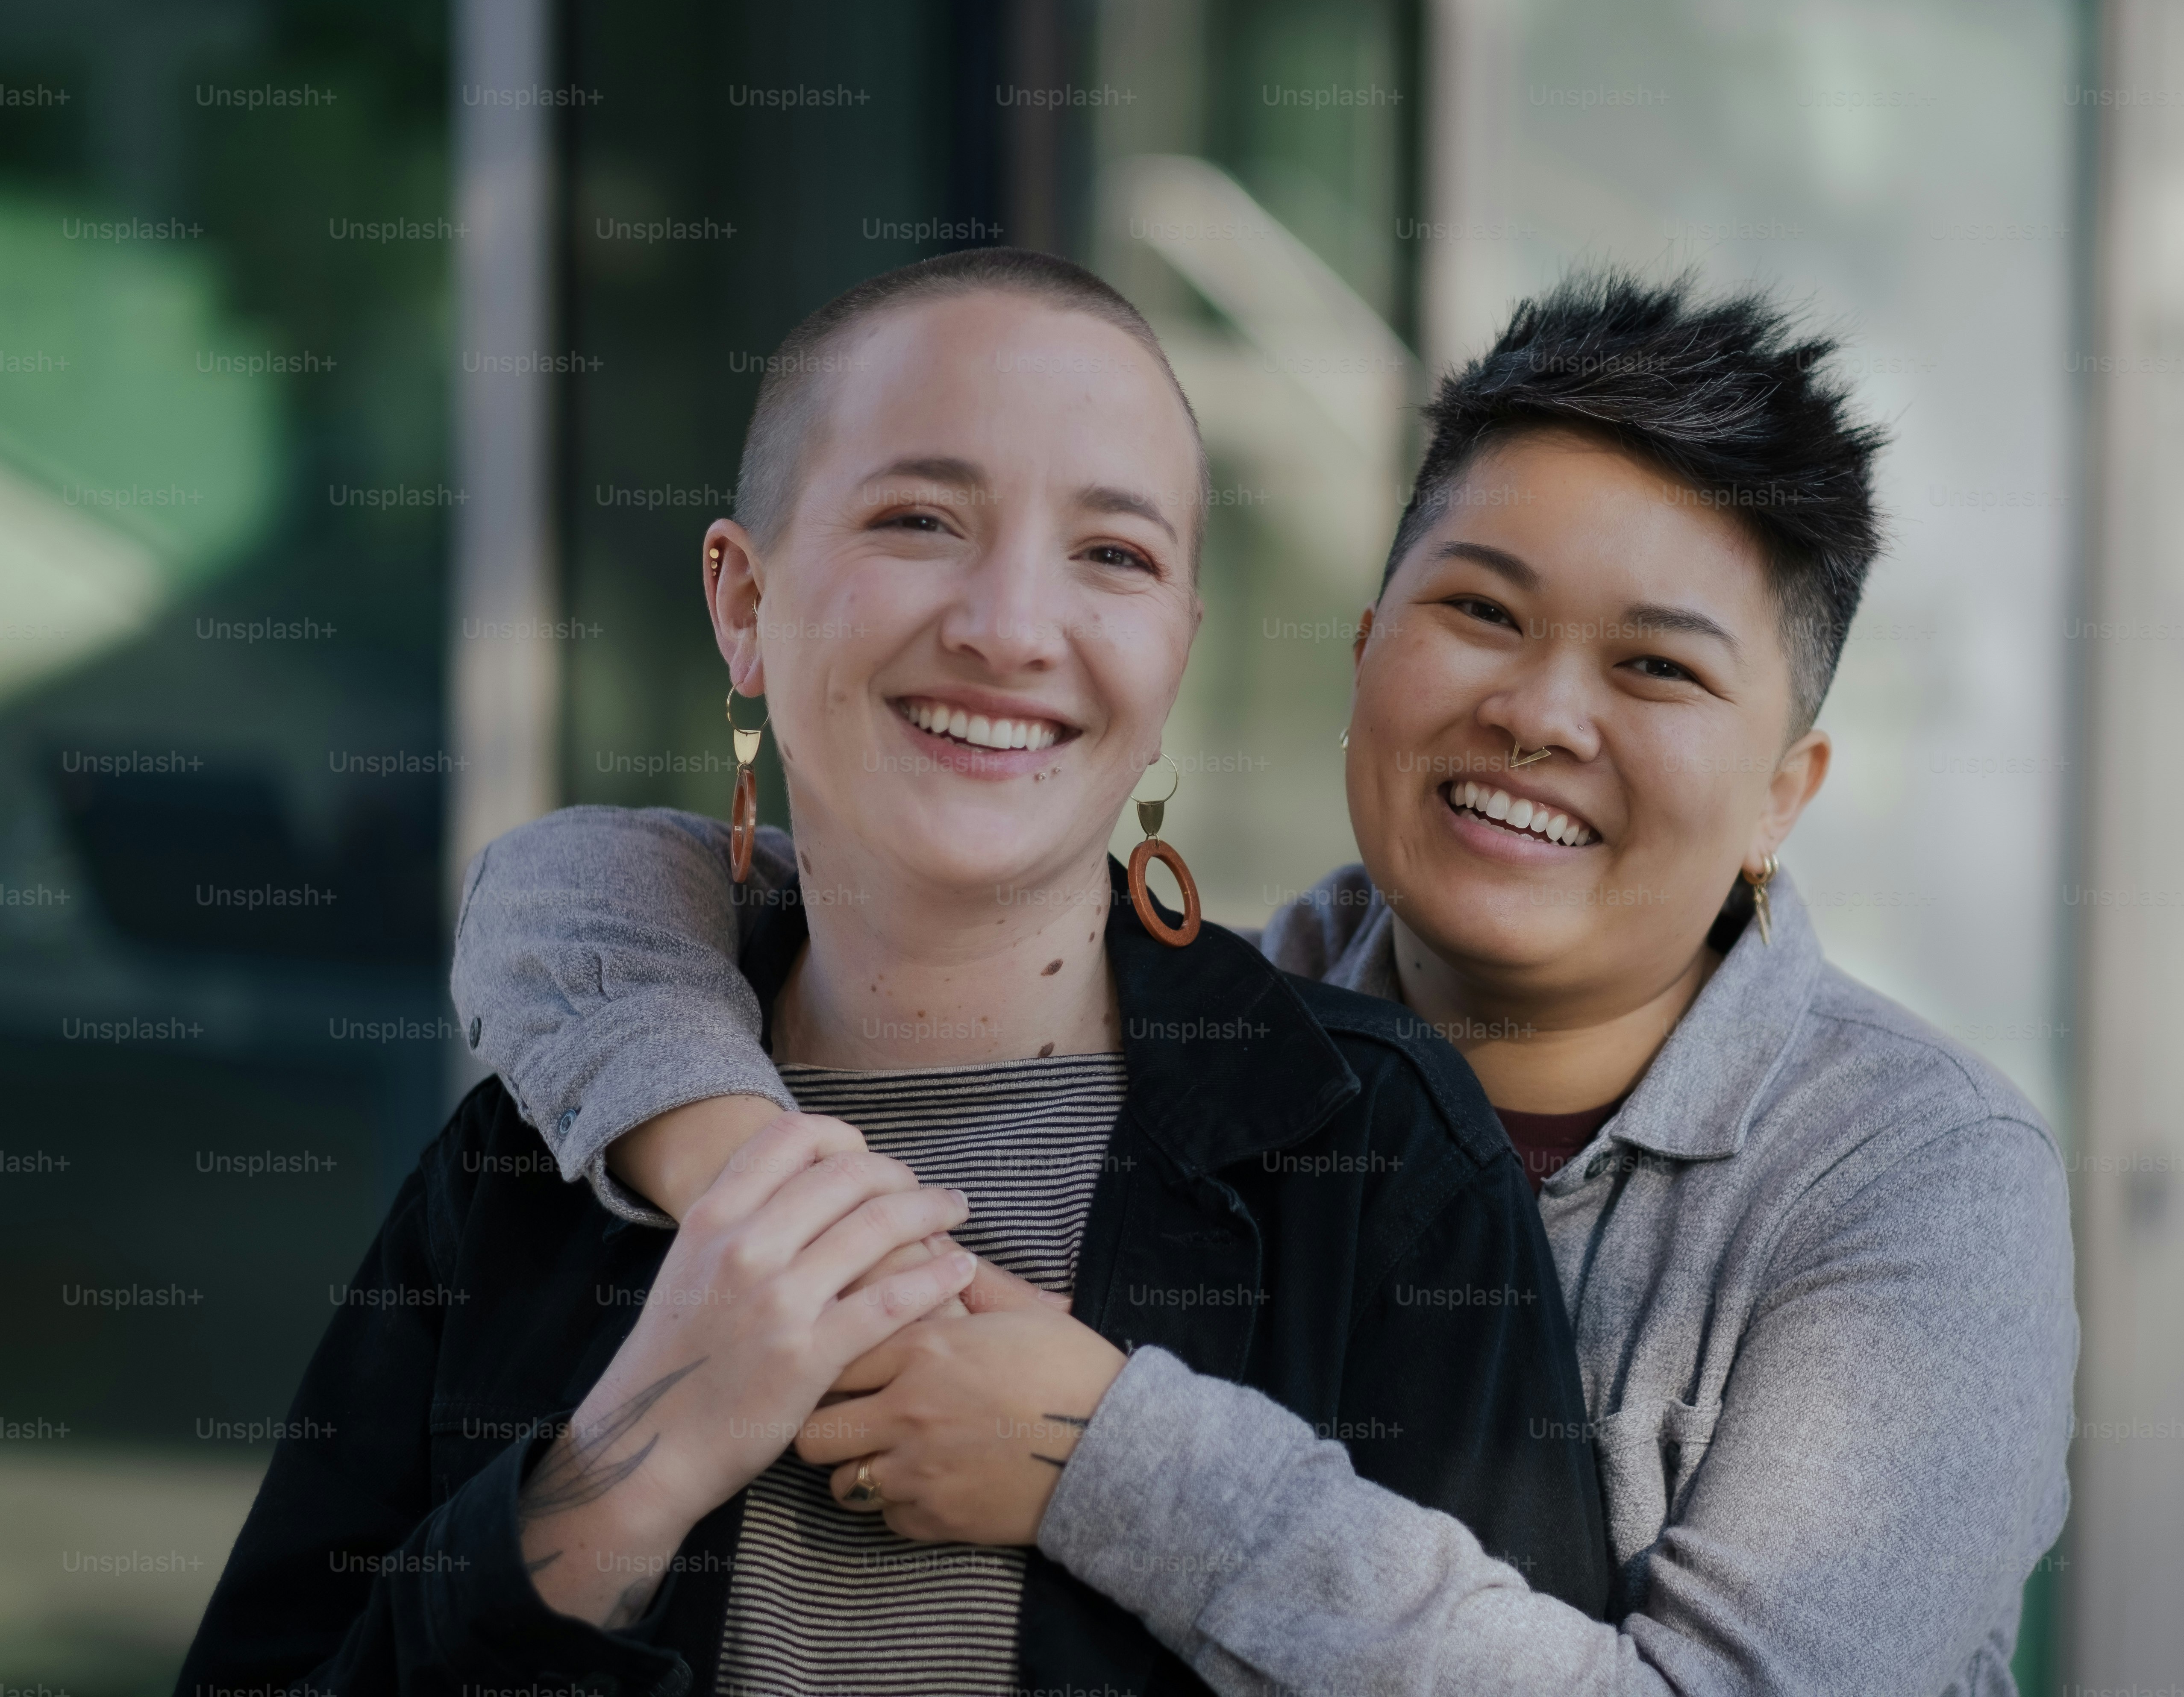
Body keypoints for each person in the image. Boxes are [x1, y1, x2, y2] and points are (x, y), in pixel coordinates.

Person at [450, 269, 2079, 1694]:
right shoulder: (1241, 1031)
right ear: (1365, 650)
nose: (1538, 716)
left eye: (1655, 667)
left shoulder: (1916, 1181)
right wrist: (754, 1188)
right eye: (1481, 612)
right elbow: (590, 895)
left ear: (1784, 795)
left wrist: (1103, 1463)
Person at [173, 248, 1609, 1697]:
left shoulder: (1375, 1158)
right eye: (921, 521)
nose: (1009, 629)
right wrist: (622, 1472)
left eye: (1114, 555)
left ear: (1178, 645)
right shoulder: (524, 1168)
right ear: (744, 602)